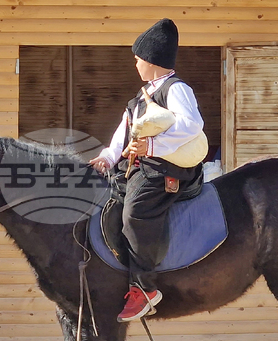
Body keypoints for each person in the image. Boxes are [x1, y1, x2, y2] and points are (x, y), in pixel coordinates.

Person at [88, 19, 206, 322]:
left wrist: (152, 149)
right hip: (139, 168)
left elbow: (192, 125)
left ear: (151, 60)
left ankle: (145, 288)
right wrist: (107, 157)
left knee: (135, 213)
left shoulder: (177, 89)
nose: (136, 63)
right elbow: (122, 135)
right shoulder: (140, 98)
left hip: (163, 170)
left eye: (139, 58)